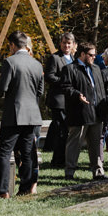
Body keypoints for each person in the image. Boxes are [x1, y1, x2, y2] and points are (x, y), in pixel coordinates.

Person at [0, 30, 44, 199]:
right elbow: (40, 91)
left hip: (14, 114)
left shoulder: (10, 62)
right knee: (28, 152)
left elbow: (2, 89)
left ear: (13, 45)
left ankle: (3, 190)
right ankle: (25, 188)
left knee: (4, 152)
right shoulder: (37, 64)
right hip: (32, 115)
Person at [61, 42, 106, 180]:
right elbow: (65, 87)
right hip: (79, 112)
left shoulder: (96, 69)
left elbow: (101, 89)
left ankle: (98, 171)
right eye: (91, 55)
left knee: (96, 144)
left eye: (95, 55)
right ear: (82, 54)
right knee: (75, 143)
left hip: (97, 112)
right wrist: (77, 95)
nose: (94, 57)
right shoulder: (70, 69)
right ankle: (70, 172)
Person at [44, 32, 76, 168]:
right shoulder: (55, 58)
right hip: (58, 100)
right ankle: (57, 160)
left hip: (70, 100)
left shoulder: (74, 59)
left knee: (67, 131)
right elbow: (49, 76)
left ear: (73, 45)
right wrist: (64, 81)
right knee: (60, 130)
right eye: (64, 43)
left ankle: (64, 158)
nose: (66, 45)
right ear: (60, 44)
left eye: (69, 43)